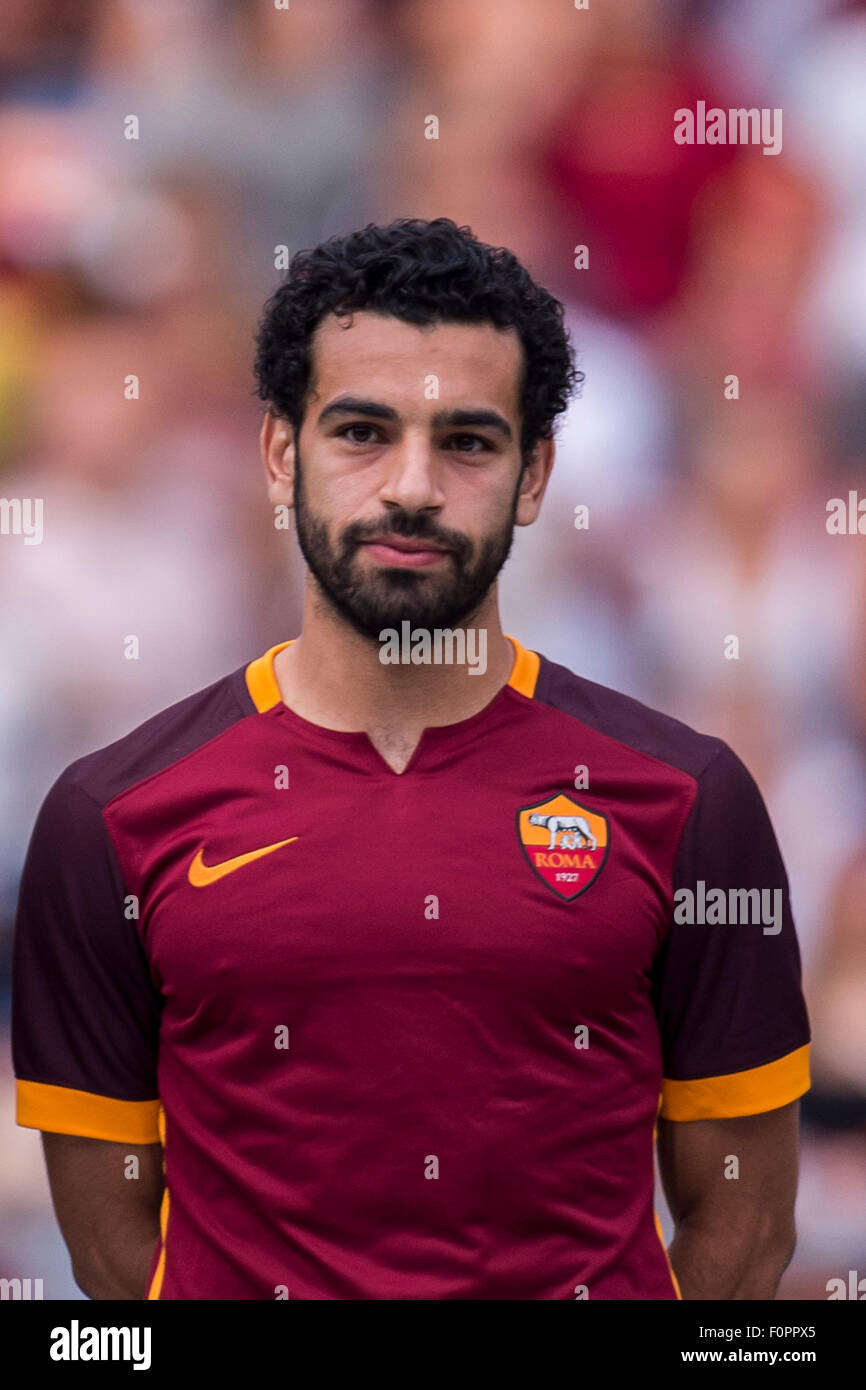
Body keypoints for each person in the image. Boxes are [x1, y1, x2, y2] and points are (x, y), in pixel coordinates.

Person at [12, 217, 810, 1300]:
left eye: (468, 442)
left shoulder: (688, 799)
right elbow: (111, 1251)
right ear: (279, 454)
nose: (411, 486)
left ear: (533, 474)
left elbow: (746, 1227)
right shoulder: (107, 816)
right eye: (361, 432)